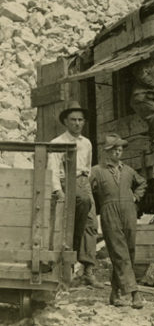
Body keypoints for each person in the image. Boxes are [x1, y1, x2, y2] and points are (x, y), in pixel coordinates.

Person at [47, 100, 102, 288]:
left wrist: (87, 183)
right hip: (66, 182)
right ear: (66, 122)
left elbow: (87, 166)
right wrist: (57, 190)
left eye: (80, 120)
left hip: (83, 182)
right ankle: (66, 268)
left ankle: (88, 270)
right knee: (67, 224)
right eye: (73, 120)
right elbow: (53, 169)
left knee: (91, 225)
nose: (77, 123)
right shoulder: (58, 143)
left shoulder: (86, 143)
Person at [90, 133, 147, 308]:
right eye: (114, 149)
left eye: (120, 148)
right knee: (120, 252)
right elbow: (85, 189)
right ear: (107, 151)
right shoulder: (97, 171)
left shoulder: (129, 171)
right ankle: (135, 294)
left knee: (128, 252)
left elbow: (143, 183)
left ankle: (115, 294)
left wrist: (136, 197)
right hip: (109, 213)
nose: (118, 151)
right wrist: (92, 207)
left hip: (129, 211)